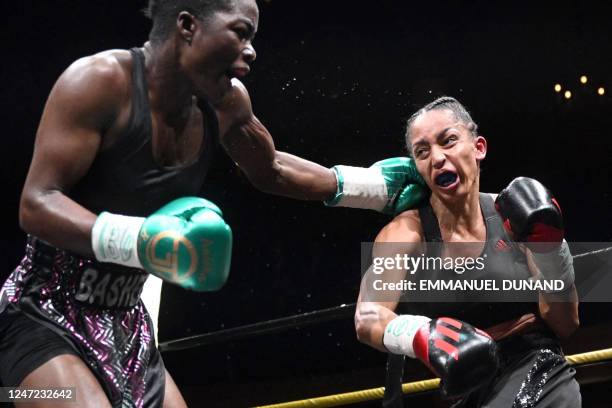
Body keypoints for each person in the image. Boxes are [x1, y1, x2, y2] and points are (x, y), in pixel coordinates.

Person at [0, 1, 427, 407]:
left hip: (127, 323)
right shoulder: (98, 82)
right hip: (41, 316)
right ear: (188, 26)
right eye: (241, 33)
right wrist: (143, 241)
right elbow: (36, 204)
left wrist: (372, 187)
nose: (252, 51)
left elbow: (271, 168)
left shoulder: (224, 102)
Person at [354, 97, 581, 407]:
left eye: (448, 140)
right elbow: (367, 317)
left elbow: (565, 324)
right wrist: (419, 334)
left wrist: (550, 250)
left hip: (540, 372)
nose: (437, 157)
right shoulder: (406, 233)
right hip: (465, 389)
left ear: (478, 148)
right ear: (418, 168)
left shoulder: (517, 216)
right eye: (422, 152)